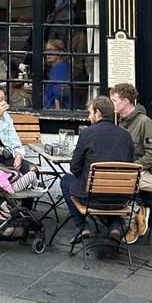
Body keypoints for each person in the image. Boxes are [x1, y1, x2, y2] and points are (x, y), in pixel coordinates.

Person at [60, 95, 134, 245]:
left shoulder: (87, 133)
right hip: (121, 199)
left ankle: (82, 226)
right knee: (111, 188)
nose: (89, 116)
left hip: (92, 198)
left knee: (66, 180)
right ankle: (115, 226)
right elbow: (130, 166)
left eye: (90, 112)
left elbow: (74, 167)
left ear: (98, 113)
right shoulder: (126, 136)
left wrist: (87, 178)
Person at [110, 83, 152, 239]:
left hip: (148, 174)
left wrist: (132, 168)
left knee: (118, 183)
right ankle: (137, 210)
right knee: (104, 180)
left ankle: (130, 224)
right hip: (127, 172)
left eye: (114, 100)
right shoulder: (120, 121)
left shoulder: (145, 122)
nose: (112, 104)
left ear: (125, 101)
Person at [43, 38, 70, 110]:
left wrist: (57, 113)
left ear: (60, 52)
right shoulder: (59, 67)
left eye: (52, 50)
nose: (49, 53)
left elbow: (58, 93)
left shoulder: (59, 68)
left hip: (53, 109)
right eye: (47, 50)